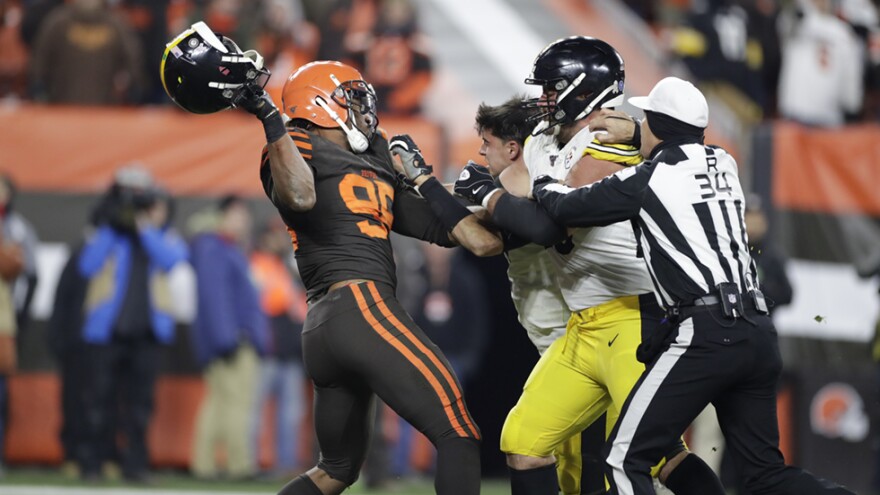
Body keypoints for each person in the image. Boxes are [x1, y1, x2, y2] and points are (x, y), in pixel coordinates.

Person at [533, 75, 857, 495]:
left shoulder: (648, 180)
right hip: (757, 330)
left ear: (657, 125)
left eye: (647, 119)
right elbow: (678, 144)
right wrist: (636, 131)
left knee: (624, 459)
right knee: (766, 475)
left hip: (706, 331)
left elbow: (561, 205)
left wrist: (540, 171)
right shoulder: (724, 162)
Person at [451, 37, 723, 495]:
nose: (544, 100)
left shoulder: (611, 145)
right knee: (524, 440)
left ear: (582, 90)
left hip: (636, 316)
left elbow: (544, 224)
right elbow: (506, 197)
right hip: (584, 323)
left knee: (658, 456)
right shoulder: (545, 140)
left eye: (553, 90)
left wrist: (485, 195)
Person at [258, 60, 500, 495]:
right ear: (319, 105)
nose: (362, 107)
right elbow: (299, 193)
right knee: (458, 431)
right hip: (359, 305)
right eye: (349, 97)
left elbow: (450, 228)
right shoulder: (294, 140)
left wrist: (499, 203)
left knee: (336, 470)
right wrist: (269, 118)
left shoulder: (373, 158)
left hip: (327, 325)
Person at [76, 167, 189, 482]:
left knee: (140, 406)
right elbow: (87, 266)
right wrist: (113, 225)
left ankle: (135, 465)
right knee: (100, 401)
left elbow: (172, 260)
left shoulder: (161, 235)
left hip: (147, 334)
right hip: (106, 333)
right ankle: (94, 464)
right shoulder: (107, 233)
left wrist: (143, 227)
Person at [189, 195, 269, 481]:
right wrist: (228, 337)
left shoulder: (220, 247)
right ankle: (240, 465)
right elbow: (215, 297)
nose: (243, 221)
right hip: (233, 340)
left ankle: (204, 465)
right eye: (238, 214)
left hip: (227, 337)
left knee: (218, 402)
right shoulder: (216, 247)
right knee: (237, 402)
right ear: (222, 215)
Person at [249, 218, 309, 479]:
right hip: (267, 351)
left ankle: (286, 465)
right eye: (275, 236)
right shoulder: (257, 264)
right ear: (264, 238)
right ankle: (253, 464)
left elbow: (300, 307)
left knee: (291, 414)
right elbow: (272, 303)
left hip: (291, 351)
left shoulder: (287, 266)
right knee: (256, 411)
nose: (281, 241)